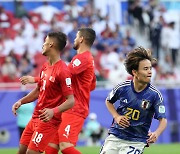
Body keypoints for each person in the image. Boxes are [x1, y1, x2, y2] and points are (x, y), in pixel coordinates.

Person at [20, 27, 96, 154]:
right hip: (67, 107)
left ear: (81, 39)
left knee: (65, 145)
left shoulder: (82, 58)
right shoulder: (86, 59)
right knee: (51, 146)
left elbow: (62, 75)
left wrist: (35, 79)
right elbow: (92, 85)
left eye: (76, 37)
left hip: (74, 108)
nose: (75, 39)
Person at [12, 31, 75, 154]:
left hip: (48, 122)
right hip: (35, 118)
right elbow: (38, 90)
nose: (43, 45)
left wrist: (53, 111)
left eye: (45, 42)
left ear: (51, 44)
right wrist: (21, 101)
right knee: (21, 152)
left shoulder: (63, 70)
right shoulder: (45, 66)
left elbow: (71, 101)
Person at [100, 46, 167, 154]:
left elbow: (163, 120)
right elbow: (108, 101)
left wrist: (156, 134)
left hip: (136, 141)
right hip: (115, 136)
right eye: (145, 69)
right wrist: (116, 116)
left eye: (150, 68)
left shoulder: (155, 94)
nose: (150, 72)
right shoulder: (122, 87)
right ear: (135, 72)